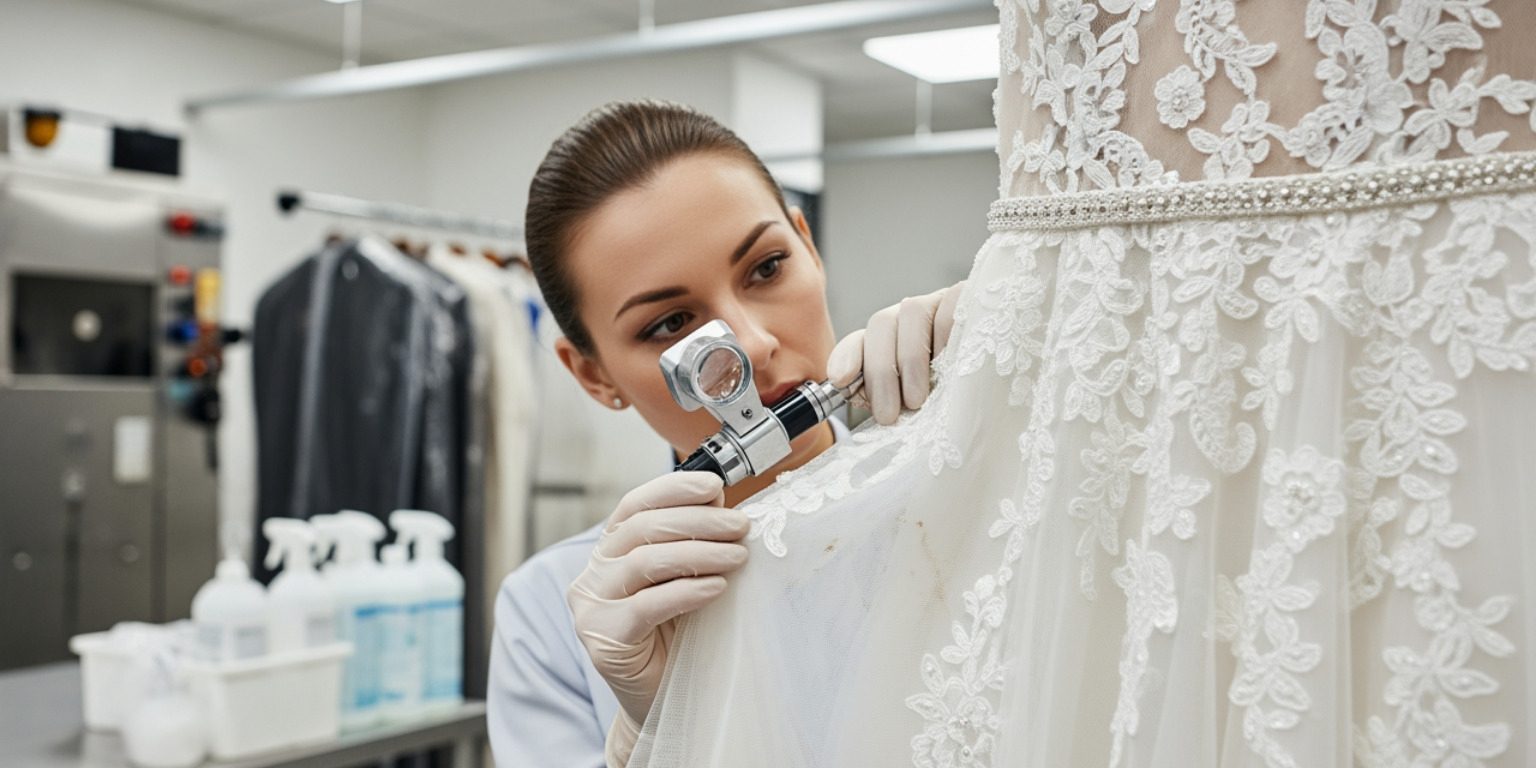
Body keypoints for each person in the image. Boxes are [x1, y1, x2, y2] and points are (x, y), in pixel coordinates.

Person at [485, 99, 963, 767]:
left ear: (808, 245)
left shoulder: (962, 496)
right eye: (670, 325)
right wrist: (650, 732)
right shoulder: (552, 615)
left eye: (767, 268)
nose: (754, 344)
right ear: (593, 375)